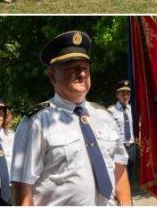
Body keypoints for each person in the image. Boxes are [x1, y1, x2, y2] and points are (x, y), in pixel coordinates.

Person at [11, 31, 131, 205]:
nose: (81, 73)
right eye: (72, 68)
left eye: (85, 68)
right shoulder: (37, 121)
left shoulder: (105, 117)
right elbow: (22, 186)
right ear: (52, 76)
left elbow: (119, 171)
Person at [109, 80, 138, 193]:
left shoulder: (133, 110)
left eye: (127, 94)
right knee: (118, 177)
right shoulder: (111, 111)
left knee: (129, 177)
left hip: (131, 147)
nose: (126, 96)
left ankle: (127, 200)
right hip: (118, 148)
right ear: (117, 95)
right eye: (123, 94)